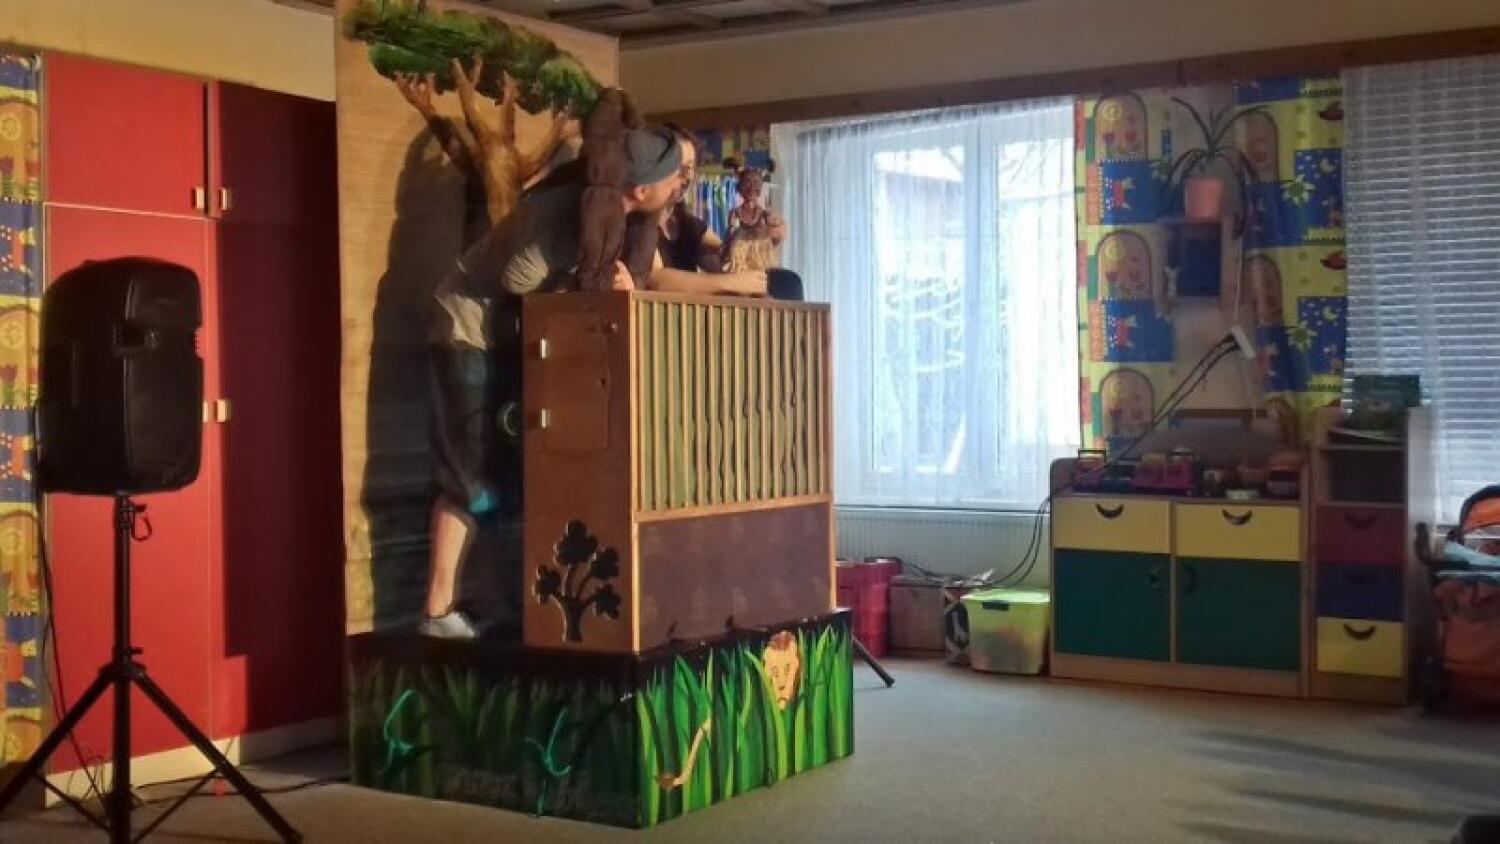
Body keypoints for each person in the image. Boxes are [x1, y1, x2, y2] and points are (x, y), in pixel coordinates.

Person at [419, 126, 684, 639]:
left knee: (508, 472)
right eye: (674, 178)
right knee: (469, 470)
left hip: (507, 336)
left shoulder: (622, 218)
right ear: (641, 189)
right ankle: (436, 609)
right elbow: (516, 280)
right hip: (468, 328)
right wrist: (589, 286)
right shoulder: (567, 216)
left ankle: (486, 600)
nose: (679, 185)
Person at [651, 125, 770, 297]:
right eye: (679, 167)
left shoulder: (690, 225)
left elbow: (724, 256)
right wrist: (734, 282)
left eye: (691, 167)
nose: (687, 176)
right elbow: (656, 279)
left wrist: (763, 236)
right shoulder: (637, 223)